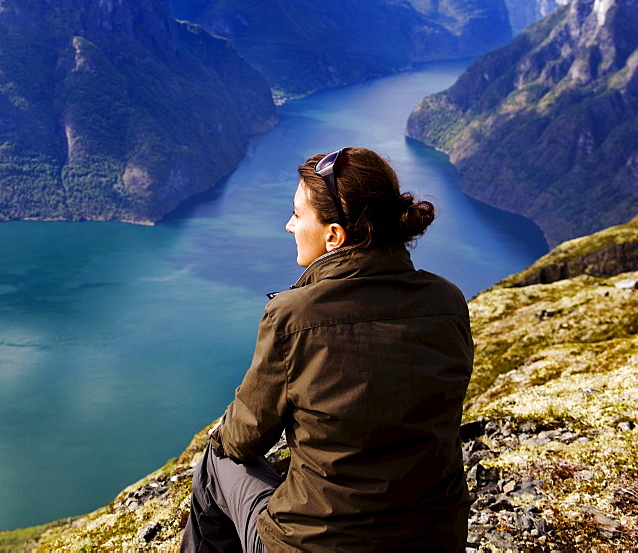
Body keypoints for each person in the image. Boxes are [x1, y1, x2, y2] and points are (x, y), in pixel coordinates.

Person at [181, 147, 474, 552]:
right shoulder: (449, 301)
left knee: (216, 464)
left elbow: (242, 438)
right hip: (435, 540)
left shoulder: (293, 317)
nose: (288, 226)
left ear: (334, 236)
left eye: (298, 215)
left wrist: (221, 437)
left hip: (318, 545)